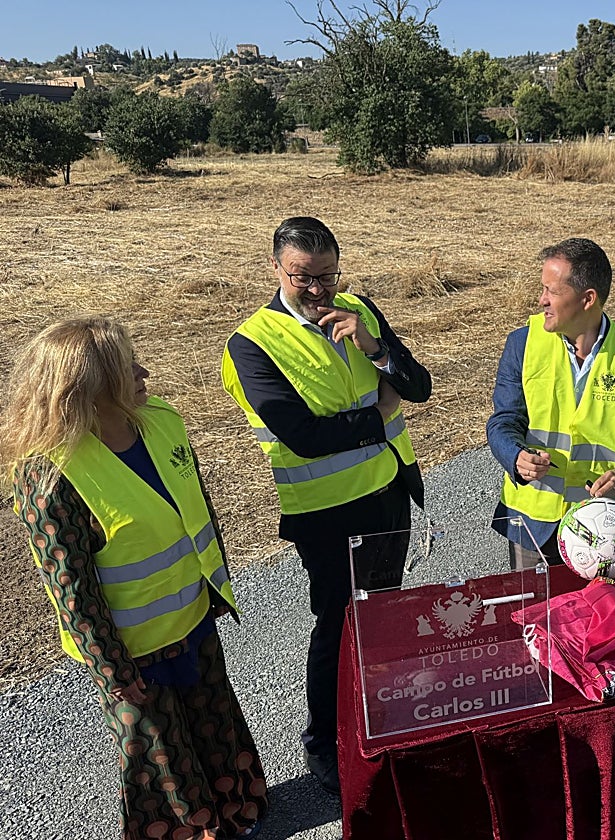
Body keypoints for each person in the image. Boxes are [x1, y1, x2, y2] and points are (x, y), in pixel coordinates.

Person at [2, 318, 268, 839]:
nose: (144, 372)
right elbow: (72, 592)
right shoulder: (49, 475)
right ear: (87, 388)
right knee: (160, 754)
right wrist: (113, 671)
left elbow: (195, 506)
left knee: (214, 723)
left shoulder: (162, 419)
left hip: (192, 615)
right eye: (126, 368)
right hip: (133, 650)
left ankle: (238, 811)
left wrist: (215, 589)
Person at [222, 217, 431, 795]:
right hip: (326, 514)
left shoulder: (358, 309)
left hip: (388, 495)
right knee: (339, 624)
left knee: (382, 617)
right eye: (303, 278)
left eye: (327, 276)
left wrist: (376, 348)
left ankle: (378, 721)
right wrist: (380, 415)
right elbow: (301, 436)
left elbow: (420, 385)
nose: (318, 291)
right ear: (275, 270)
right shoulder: (251, 343)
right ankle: (326, 743)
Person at [487, 237, 615, 569]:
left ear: (588, 299)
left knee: (601, 619)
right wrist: (516, 457)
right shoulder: (522, 343)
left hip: (605, 530)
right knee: (535, 620)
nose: (541, 300)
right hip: (533, 527)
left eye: (552, 292)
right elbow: (503, 421)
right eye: (543, 288)